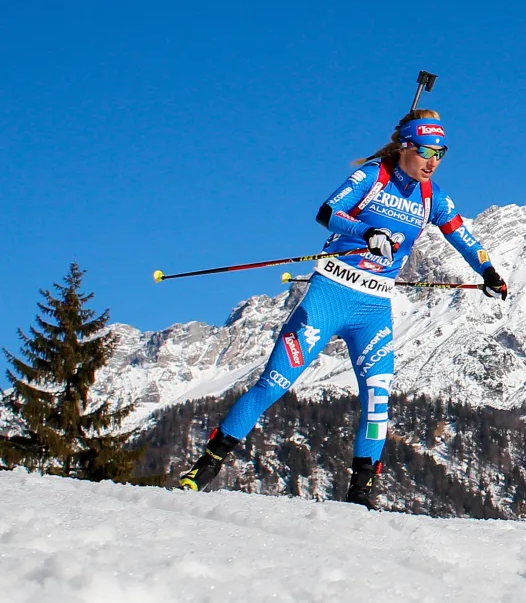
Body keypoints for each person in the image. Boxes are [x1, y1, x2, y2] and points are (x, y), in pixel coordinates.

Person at [178, 109, 507, 507]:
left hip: (373, 308)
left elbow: (463, 235)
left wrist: (487, 270)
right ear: (406, 146)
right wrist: (367, 231)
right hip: (330, 294)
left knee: (378, 398)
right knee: (274, 384)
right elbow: (327, 213)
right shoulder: (371, 177)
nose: (433, 161)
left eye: (441, 152)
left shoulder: (431, 196)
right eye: (425, 151)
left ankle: (361, 495)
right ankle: (206, 466)